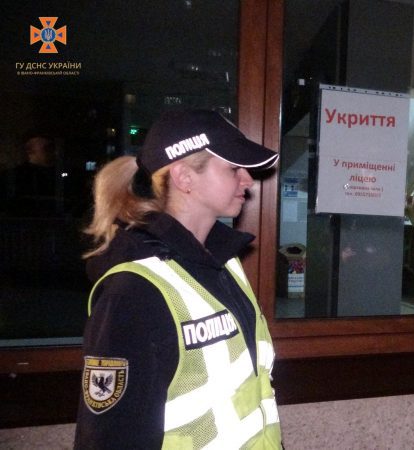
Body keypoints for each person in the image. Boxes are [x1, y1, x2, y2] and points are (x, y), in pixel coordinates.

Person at [74, 109, 282, 449]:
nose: (248, 180)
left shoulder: (227, 264)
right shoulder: (135, 291)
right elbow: (110, 437)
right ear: (184, 177)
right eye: (233, 169)